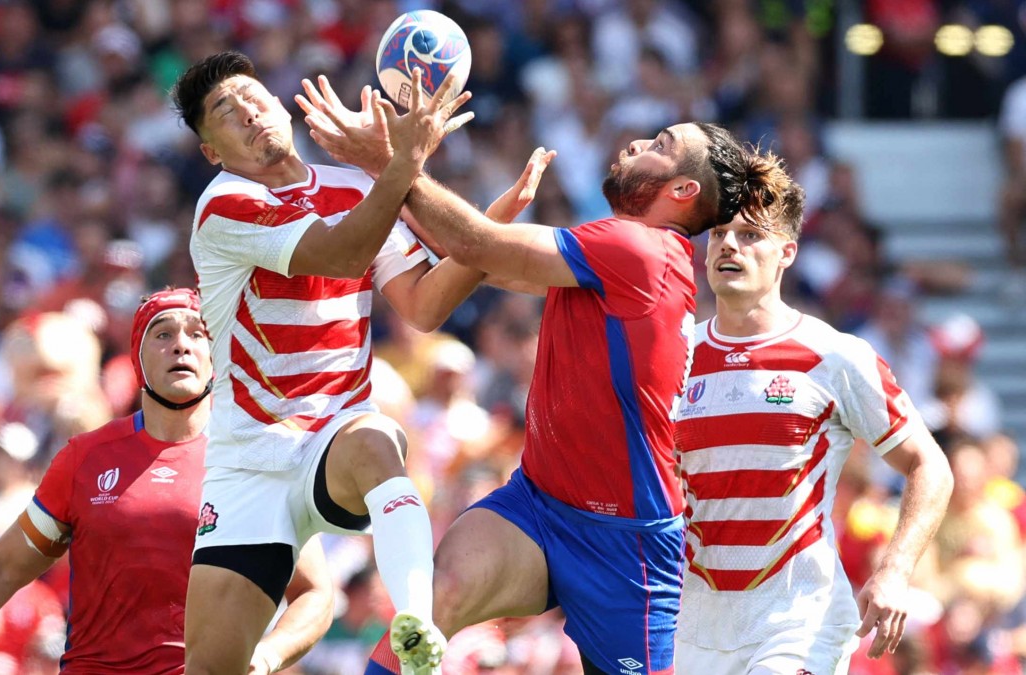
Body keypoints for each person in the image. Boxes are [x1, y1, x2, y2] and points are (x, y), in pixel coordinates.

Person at [299, 77, 796, 674]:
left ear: (682, 189)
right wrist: (403, 175)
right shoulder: (613, 251)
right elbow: (483, 260)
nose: (637, 142)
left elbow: (478, 245)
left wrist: (391, 161)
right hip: (538, 505)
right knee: (434, 602)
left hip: (628, 546)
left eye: (660, 143)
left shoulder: (642, 249)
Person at [169, 52, 551, 675]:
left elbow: (423, 305)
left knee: (376, 439)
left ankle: (416, 624)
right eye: (224, 111)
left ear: (279, 102)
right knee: (212, 668)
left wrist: (490, 227)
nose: (248, 112)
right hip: (247, 461)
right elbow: (342, 254)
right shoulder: (225, 205)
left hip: (334, 436)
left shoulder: (353, 188)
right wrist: (401, 164)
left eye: (253, 96)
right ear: (211, 150)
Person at [0, 288, 335, 675]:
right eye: (164, 334)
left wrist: (265, 657)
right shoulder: (86, 457)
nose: (182, 345)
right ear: (138, 358)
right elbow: (5, 566)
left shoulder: (255, 460)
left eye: (198, 334)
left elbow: (314, 593)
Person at [671, 197, 954, 673]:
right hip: (694, 627)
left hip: (799, 620)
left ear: (787, 252)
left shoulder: (836, 354)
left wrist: (895, 569)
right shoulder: (672, 357)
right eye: (719, 233)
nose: (729, 246)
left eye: (750, 234)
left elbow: (930, 465)